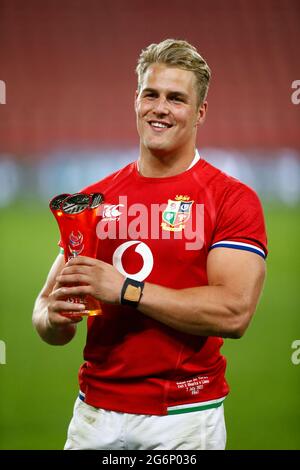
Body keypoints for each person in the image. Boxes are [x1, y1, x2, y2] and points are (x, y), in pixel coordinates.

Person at [32, 39, 267, 450]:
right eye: (150, 94)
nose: (160, 108)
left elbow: (234, 313)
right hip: (93, 416)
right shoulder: (92, 201)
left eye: (176, 99)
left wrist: (125, 290)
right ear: (135, 102)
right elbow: (46, 315)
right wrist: (53, 318)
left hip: (183, 417)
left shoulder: (231, 198)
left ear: (200, 113)